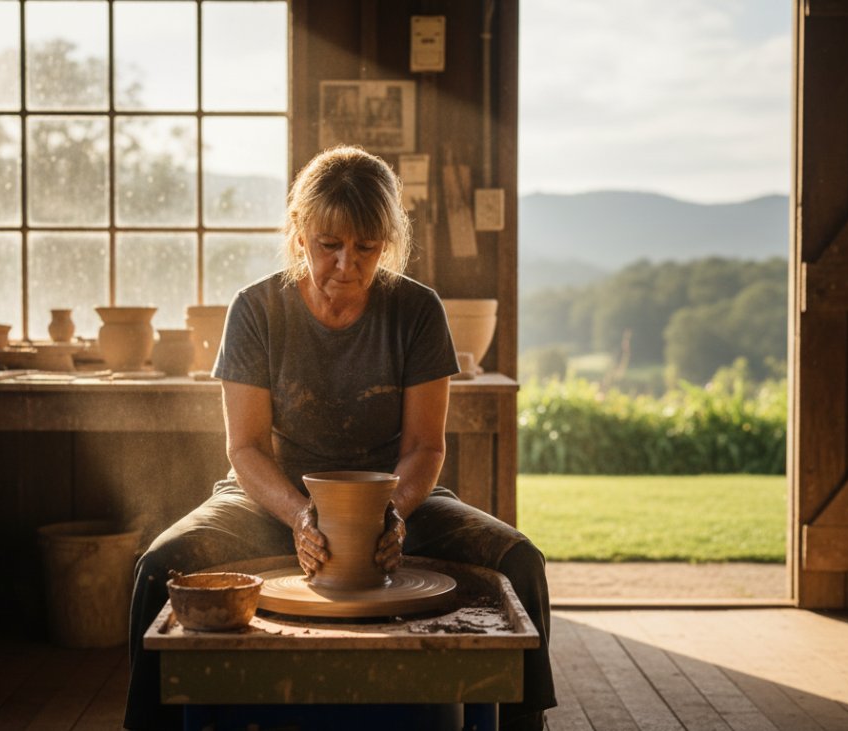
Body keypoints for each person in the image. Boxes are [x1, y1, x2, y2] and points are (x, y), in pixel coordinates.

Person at [125, 145, 556, 731]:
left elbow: (426, 448)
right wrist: (302, 515)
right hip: (270, 496)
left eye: (367, 247)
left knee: (521, 561)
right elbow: (246, 448)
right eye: (330, 244)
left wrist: (395, 511)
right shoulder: (256, 309)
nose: (347, 264)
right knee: (159, 567)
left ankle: (527, 727)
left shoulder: (416, 309)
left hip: (396, 498)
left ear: (388, 243)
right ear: (301, 232)